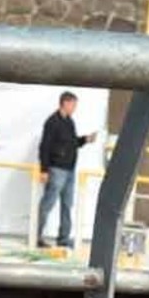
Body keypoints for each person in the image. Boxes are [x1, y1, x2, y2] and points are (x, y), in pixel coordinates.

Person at [37, 91, 97, 248]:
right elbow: (44, 146)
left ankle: (63, 238)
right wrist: (44, 170)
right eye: (74, 105)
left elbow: (72, 143)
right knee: (47, 203)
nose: (75, 108)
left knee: (67, 204)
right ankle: (35, 235)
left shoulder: (69, 122)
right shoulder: (52, 122)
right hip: (56, 169)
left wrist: (85, 139)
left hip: (69, 170)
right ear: (65, 103)